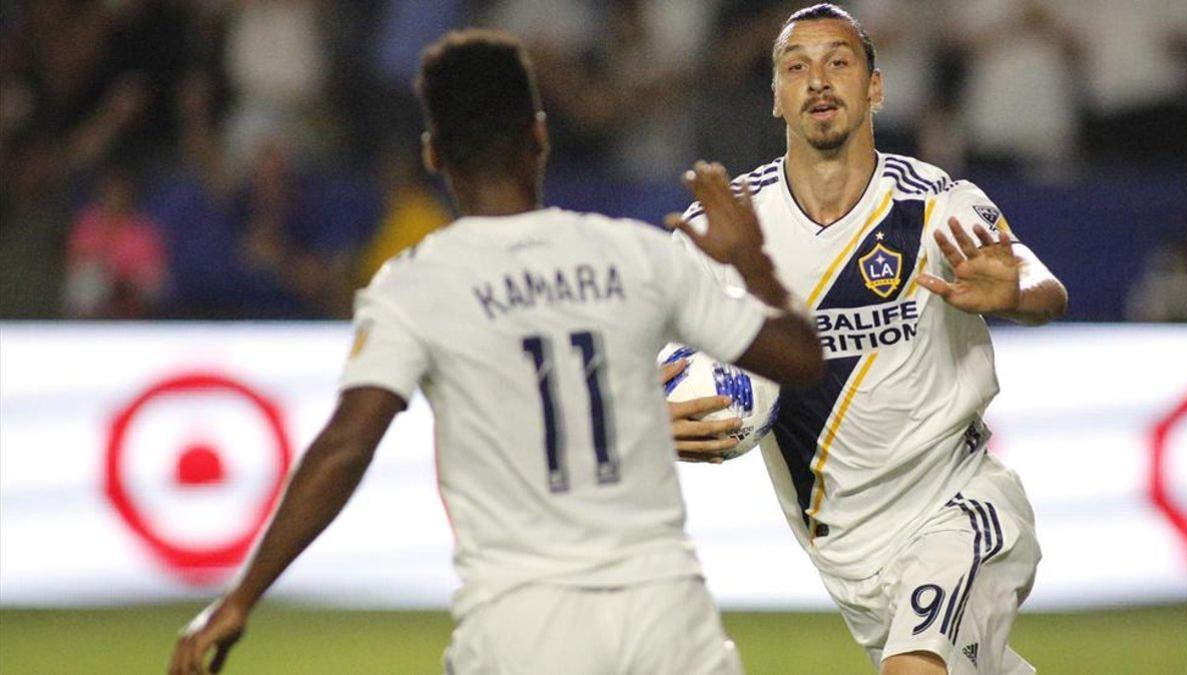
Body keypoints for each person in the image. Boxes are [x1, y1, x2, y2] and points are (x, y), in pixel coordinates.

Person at [169, 29, 826, 675]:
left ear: (433, 155)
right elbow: (799, 360)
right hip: (666, 616)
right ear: (539, 135)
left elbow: (347, 444)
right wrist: (754, 263)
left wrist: (239, 597)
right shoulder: (635, 254)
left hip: (523, 621)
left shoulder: (416, 284)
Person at [667, 5, 1068, 675]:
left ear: (875, 88)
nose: (818, 80)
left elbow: (1033, 275)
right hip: (850, 554)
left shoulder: (931, 203)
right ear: (776, 96)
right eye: (797, 67)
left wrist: (1018, 292)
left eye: (839, 62)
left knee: (914, 667)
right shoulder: (730, 226)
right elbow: (621, 337)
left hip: (960, 504)